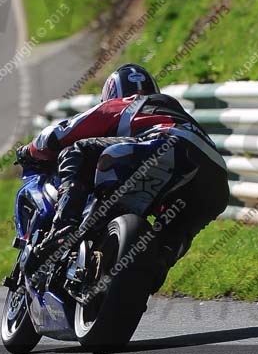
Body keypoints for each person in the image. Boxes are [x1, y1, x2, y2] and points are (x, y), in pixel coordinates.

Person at [16, 64, 229, 287]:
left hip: (163, 147)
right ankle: (153, 268)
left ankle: (62, 230)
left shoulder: (124, 104)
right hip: (214, 178)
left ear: (111, 94)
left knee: (77, 150)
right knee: (169, 238)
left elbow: (60, 134)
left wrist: (28, 151)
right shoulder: (176, 112)